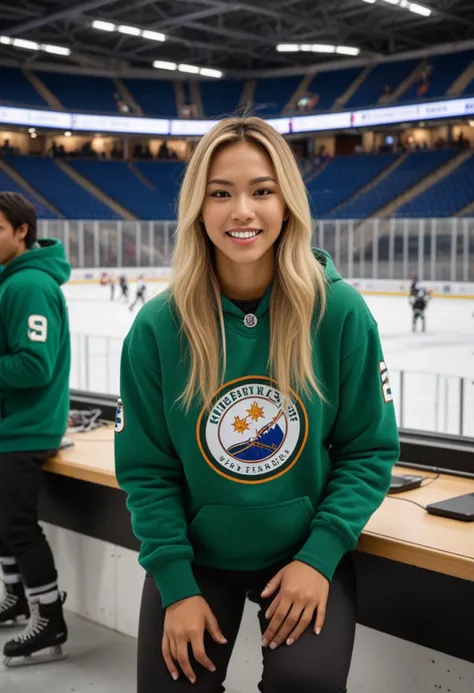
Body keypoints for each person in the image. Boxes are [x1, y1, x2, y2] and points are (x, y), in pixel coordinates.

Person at [115, 116, 400, 693]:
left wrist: (319, 557)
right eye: (221, 193)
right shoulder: (157, 327)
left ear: (287, 204)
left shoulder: (339, 313)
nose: (242, 210)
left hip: (303, 549)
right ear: (198, 207)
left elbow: (368, 450)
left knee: (306, 684)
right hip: (197, 555)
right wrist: (176, 584)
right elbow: (147, 470)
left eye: (262, 191)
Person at [0, 192, 70, 666]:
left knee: (18, 527)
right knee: (2, 524)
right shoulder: (10, 282)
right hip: (9, 427)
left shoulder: (29, 285)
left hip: (25, 429)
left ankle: (50, 617)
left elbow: (35, 365)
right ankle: (16, 598)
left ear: (21, 231)